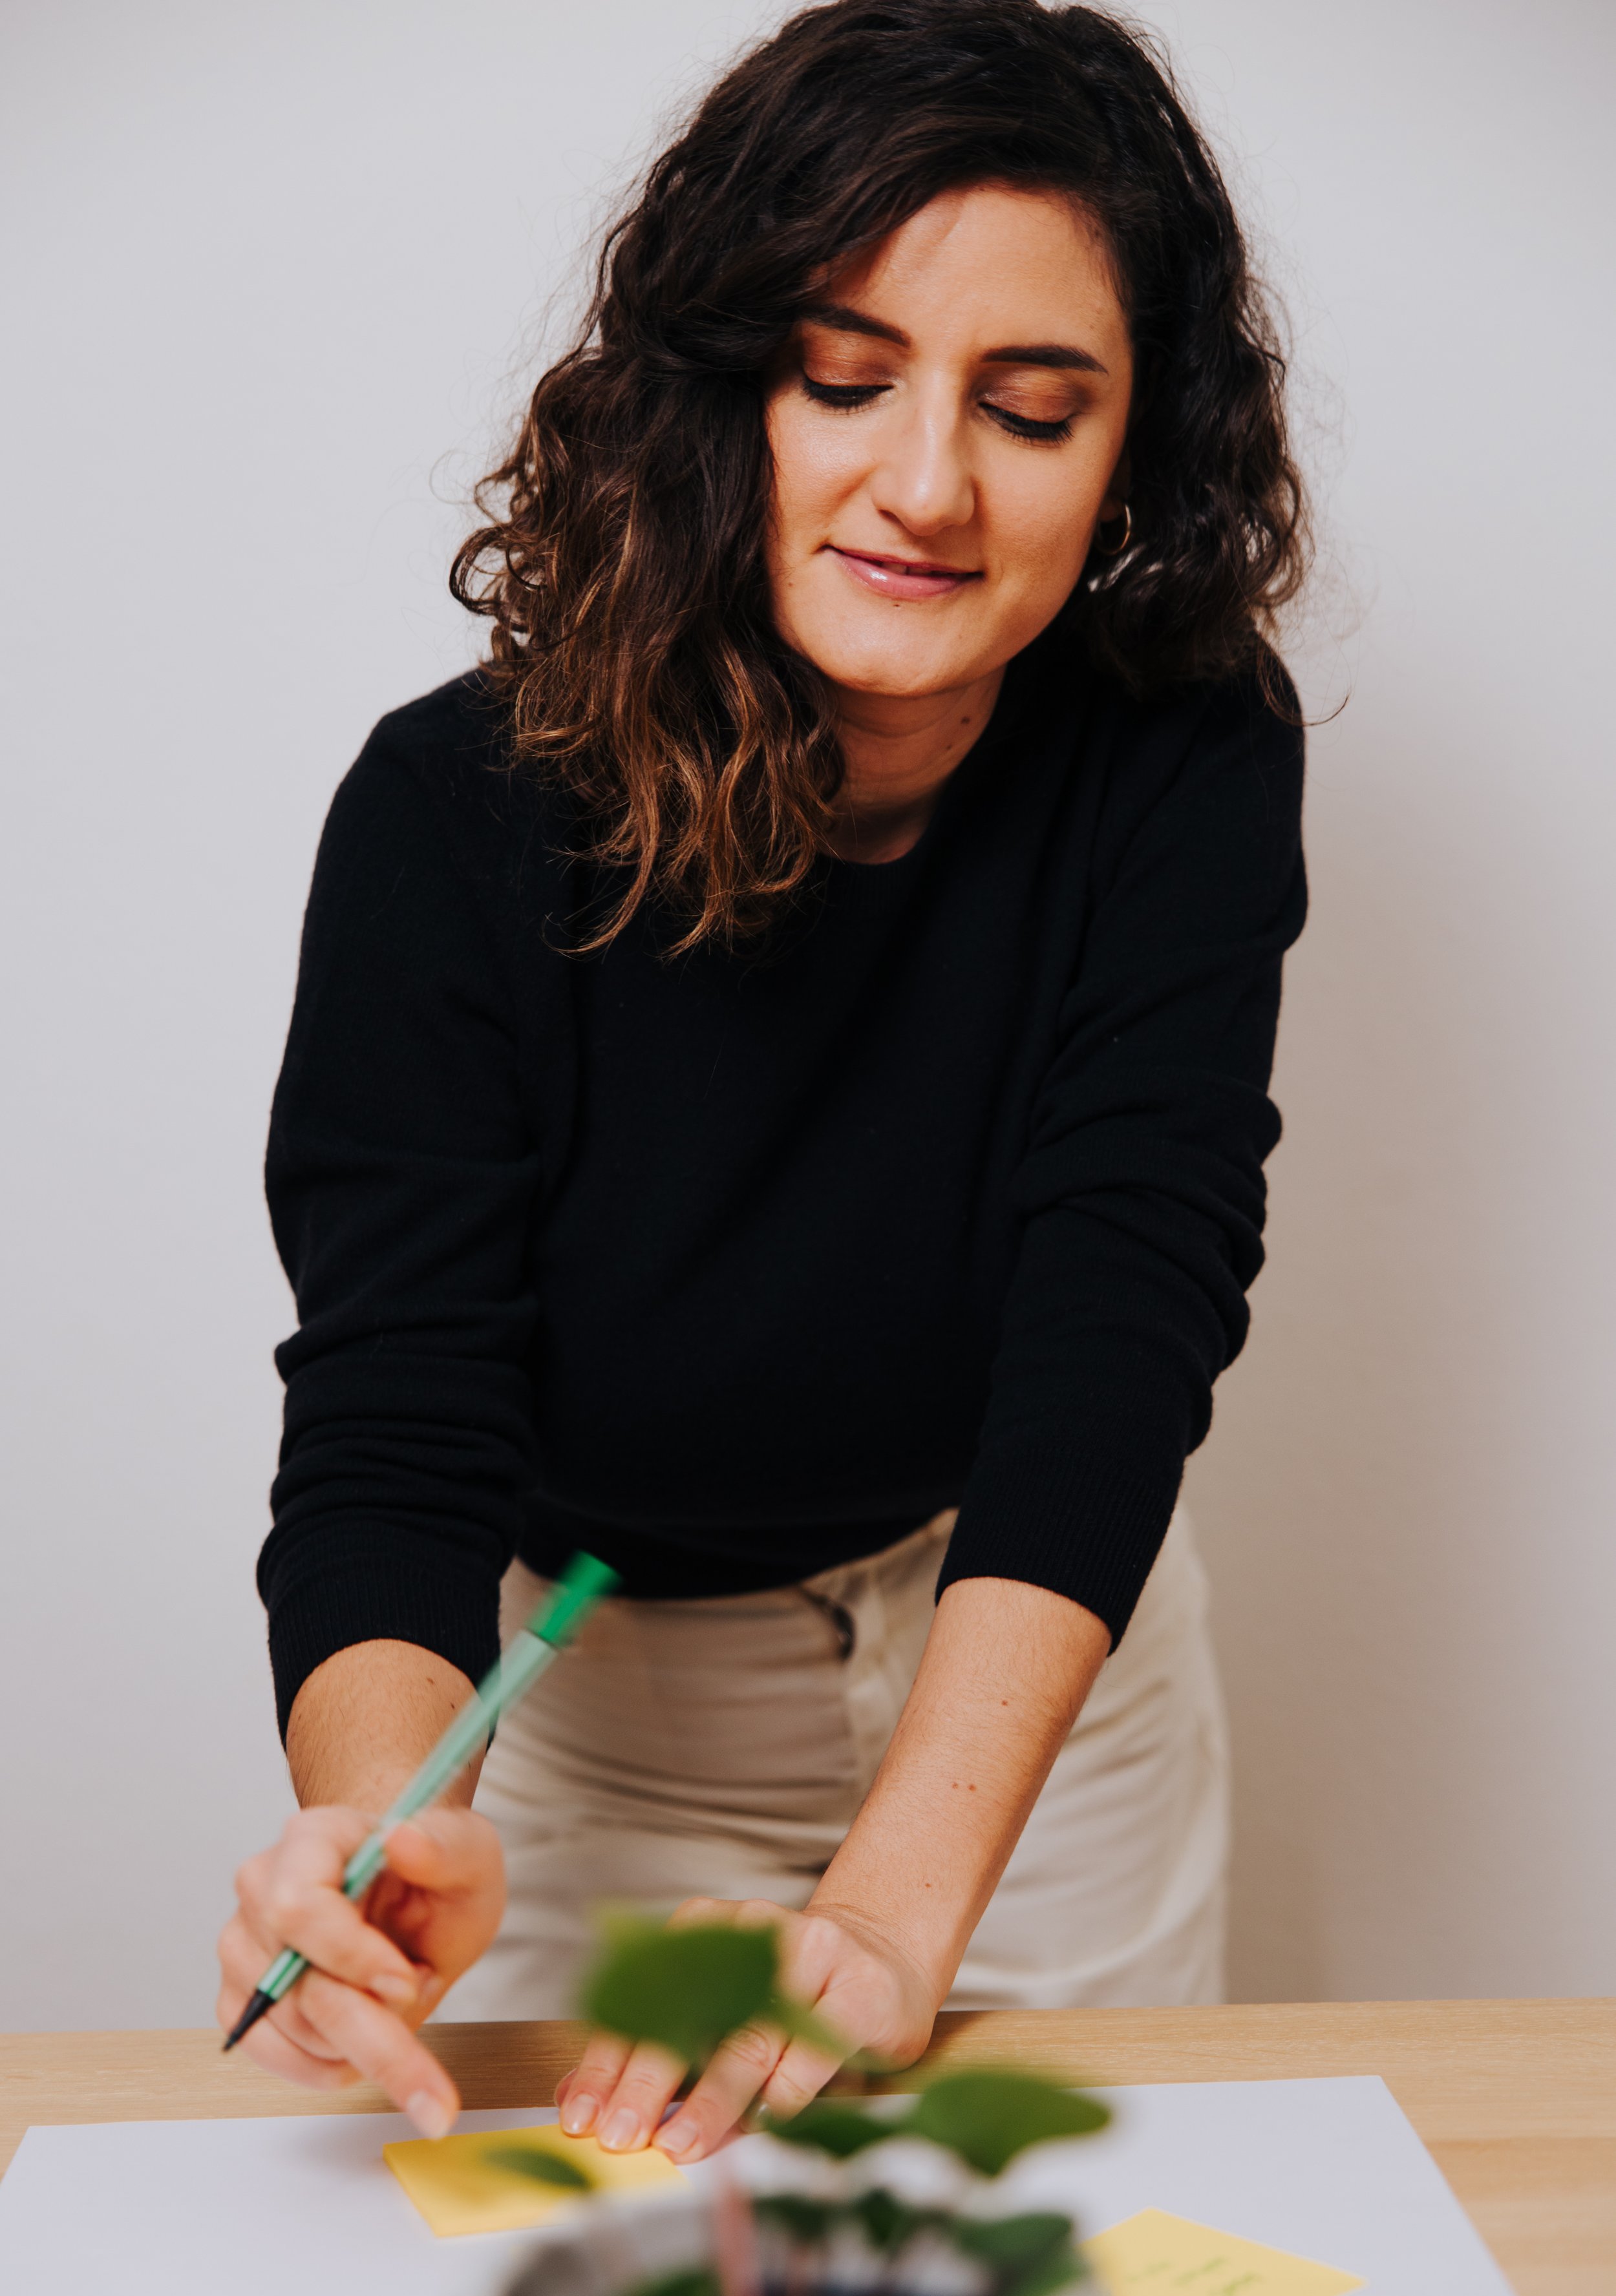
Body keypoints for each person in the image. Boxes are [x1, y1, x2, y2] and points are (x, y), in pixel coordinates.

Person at [217, 0, 1308, 2165]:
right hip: (603, 1717)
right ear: (721, 394)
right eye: (842, 378)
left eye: (1032, 408)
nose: (925, 482)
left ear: (1131, 461)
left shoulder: (1182, 746)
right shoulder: (455, 813)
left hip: (1025, 1693)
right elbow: (394, 1410)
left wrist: (899, 1912)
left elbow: (1122, 1318)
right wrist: (373, 1818)